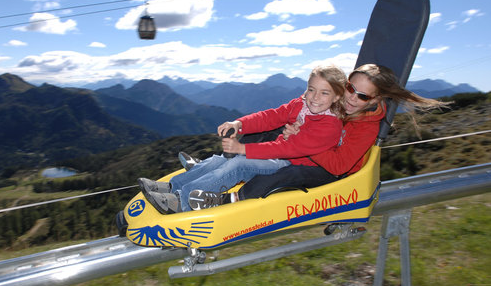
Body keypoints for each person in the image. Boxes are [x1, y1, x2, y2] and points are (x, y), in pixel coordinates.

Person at [189, 63, 448, 208]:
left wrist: (305, 141)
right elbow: (277, 115)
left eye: (362, 96)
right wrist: (241, 124)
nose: (352, 97)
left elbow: (339, 165)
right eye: (349, 87)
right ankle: (213, 166)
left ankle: (228, 201)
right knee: (266, 133)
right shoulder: (330, 101)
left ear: (377, 99)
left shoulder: (367, 126)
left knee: (287, 174)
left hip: (329, 171)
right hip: (306, 151)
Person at [138, 64, 347, 213]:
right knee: (222, 159)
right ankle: (173, 187)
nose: (314, 97)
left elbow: (289, 149)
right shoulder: (300, 104)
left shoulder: (330, 126)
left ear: (337, 97)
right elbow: (271, 116)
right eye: (311, 89)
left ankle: (182, 202)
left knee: (238, 164)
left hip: (290, 165)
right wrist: (239, 124)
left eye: (324, 93)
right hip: (280, 155)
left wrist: (243, 149)